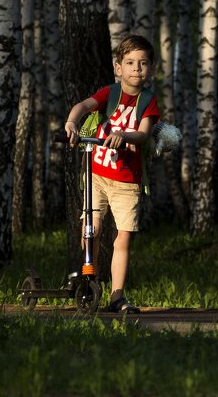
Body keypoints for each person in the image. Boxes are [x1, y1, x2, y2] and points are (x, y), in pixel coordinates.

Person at [64, 34, 160, 314]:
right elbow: (83, 106)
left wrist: (123, 135)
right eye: (129, 63)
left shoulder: (148, 101)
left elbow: (143, 134)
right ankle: (88, 277)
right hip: (97, 173)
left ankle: (117, 294)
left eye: (142, 63)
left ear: (151, 68)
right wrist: (72, 123)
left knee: (124, 237)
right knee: (90, 228)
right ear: (118, 67)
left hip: (127, 181)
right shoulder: (110, 93)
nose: (136, 69)